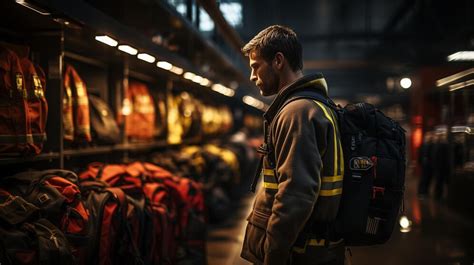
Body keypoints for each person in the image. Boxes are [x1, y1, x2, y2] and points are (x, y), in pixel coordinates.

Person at [240, 25, 345, 265]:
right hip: (315, 250)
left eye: (255, 67)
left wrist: (273, 255)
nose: (252, 76)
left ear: (278, 61)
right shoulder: (315, 105)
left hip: (301, 253)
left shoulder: (296, 112)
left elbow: (296, 194)